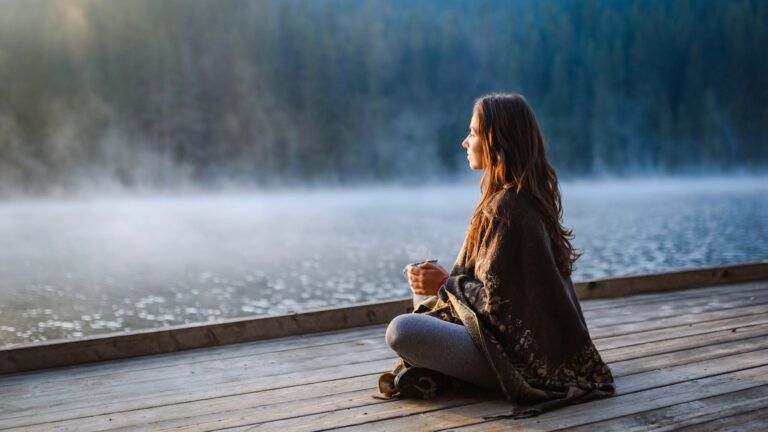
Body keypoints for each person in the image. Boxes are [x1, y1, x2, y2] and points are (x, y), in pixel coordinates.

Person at [381, 93, 615, 418]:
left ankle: (451, 374)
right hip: (533, 347)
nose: (465, 142)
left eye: (474, 132)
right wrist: (437, 282)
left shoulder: (508, 208)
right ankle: (439, 371)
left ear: (497, 141)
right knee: (425, 294)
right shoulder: (523, 197)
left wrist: (445, 283)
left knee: (402, 331)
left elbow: (502, 308)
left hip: (527, 361)